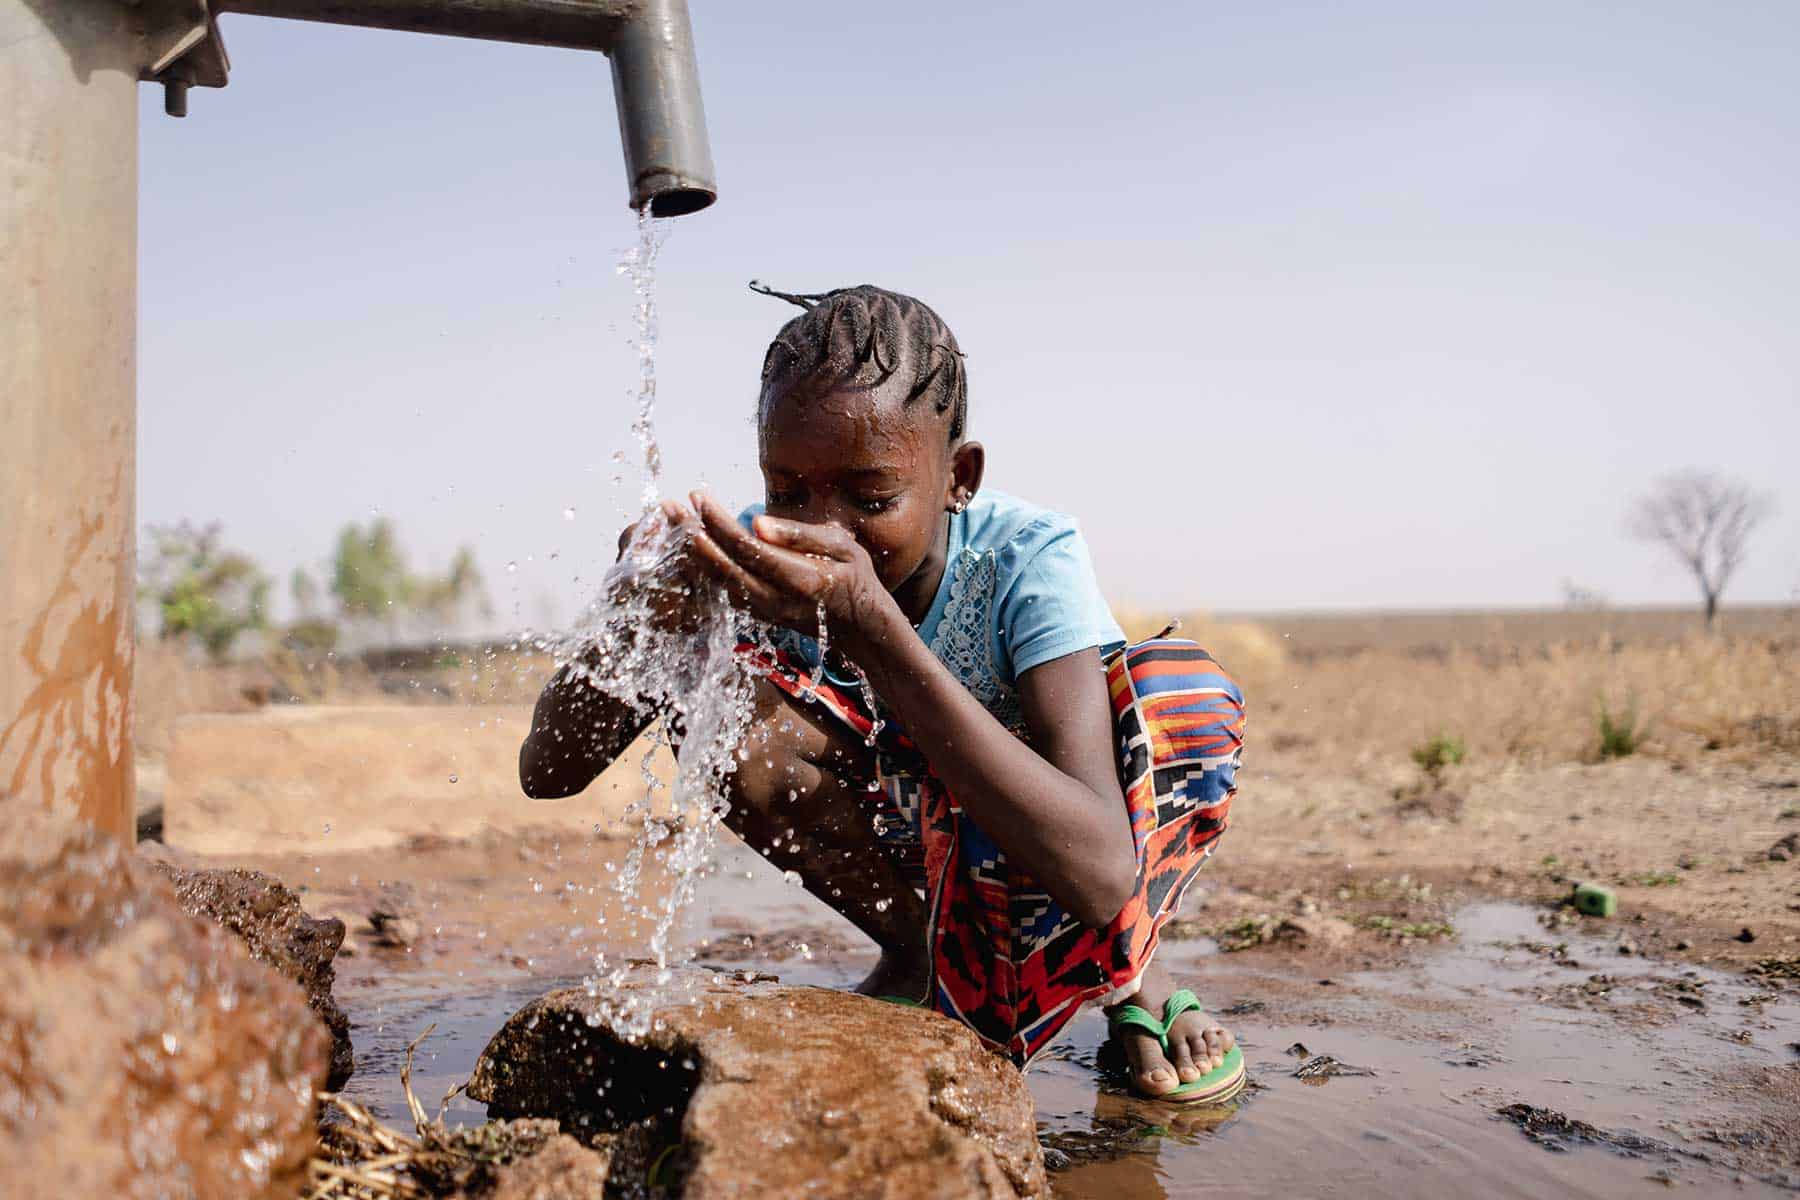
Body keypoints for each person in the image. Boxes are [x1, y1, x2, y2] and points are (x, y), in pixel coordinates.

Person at [520, 283, 1245, 1102]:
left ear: (958, 478)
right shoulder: (757, 559)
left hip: (1049, 835)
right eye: (789, 491)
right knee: (719, 702)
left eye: (871, 500)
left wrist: (875, 630)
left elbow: (1103, 868)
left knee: (1177, 690)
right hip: (913, 831)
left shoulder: (1026, 559)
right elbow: (547, 773)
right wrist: (635, 621)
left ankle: (1136, 973)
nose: (825, 531)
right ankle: (920, 957)